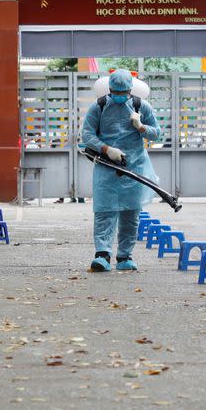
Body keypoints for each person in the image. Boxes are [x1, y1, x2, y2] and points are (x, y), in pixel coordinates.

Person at [81, 69, 161, 272]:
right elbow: (87, 135)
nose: (119, 96)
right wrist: (107, 149)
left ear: (130, 90)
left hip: (134, 167)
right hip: (107, 167)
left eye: (123, 92)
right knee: (104, 212)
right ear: (109, 89)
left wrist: (141, 126)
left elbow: (157, 134)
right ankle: (102, 254)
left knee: (130, 214)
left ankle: (125, 256)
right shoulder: (98, 107)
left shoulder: (141, 106)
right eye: (115, 92)